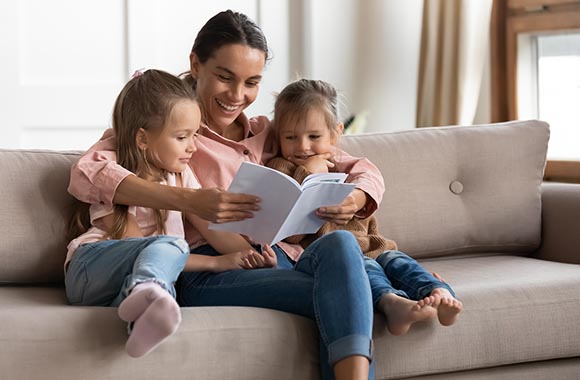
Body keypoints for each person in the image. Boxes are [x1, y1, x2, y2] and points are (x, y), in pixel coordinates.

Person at [68, 10, 384, 380]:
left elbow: (359, 166)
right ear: (195, 64)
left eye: (252, 82)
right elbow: (90, 172)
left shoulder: (271, 132)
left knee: (344, 249)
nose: (237, 95)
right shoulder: (166, 128)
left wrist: (355, 197)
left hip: (270, 259)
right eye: (225, 77)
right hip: (205, 266)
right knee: (348, 292)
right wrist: (189, 201)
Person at [65, 69, 277, 359]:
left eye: (194, 135)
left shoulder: (181, 174)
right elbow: (135, 248)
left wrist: (252, 255)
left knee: (163, 295)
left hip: (126, 284)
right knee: (170, 249)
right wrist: (218, 264)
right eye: (182, 137)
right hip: (89, 270)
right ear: (143, 138)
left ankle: (139, 325)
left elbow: (213, 227)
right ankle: (148, 290)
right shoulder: (119, 179)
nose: (192, 146)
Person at [266, 78, 463, 336]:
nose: (303, 146)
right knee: (367, 269)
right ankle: (392, 304)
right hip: (339, 258)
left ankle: (439, 294)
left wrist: (355, 198)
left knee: (398, 261)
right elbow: (291, 233)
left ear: (336, 133)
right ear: (277, 135)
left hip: (373, 246)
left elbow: (371, 179)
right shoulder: (280, 169)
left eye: (314, 136)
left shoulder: (347, 165)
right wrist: (308, 172)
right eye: (291, 137)